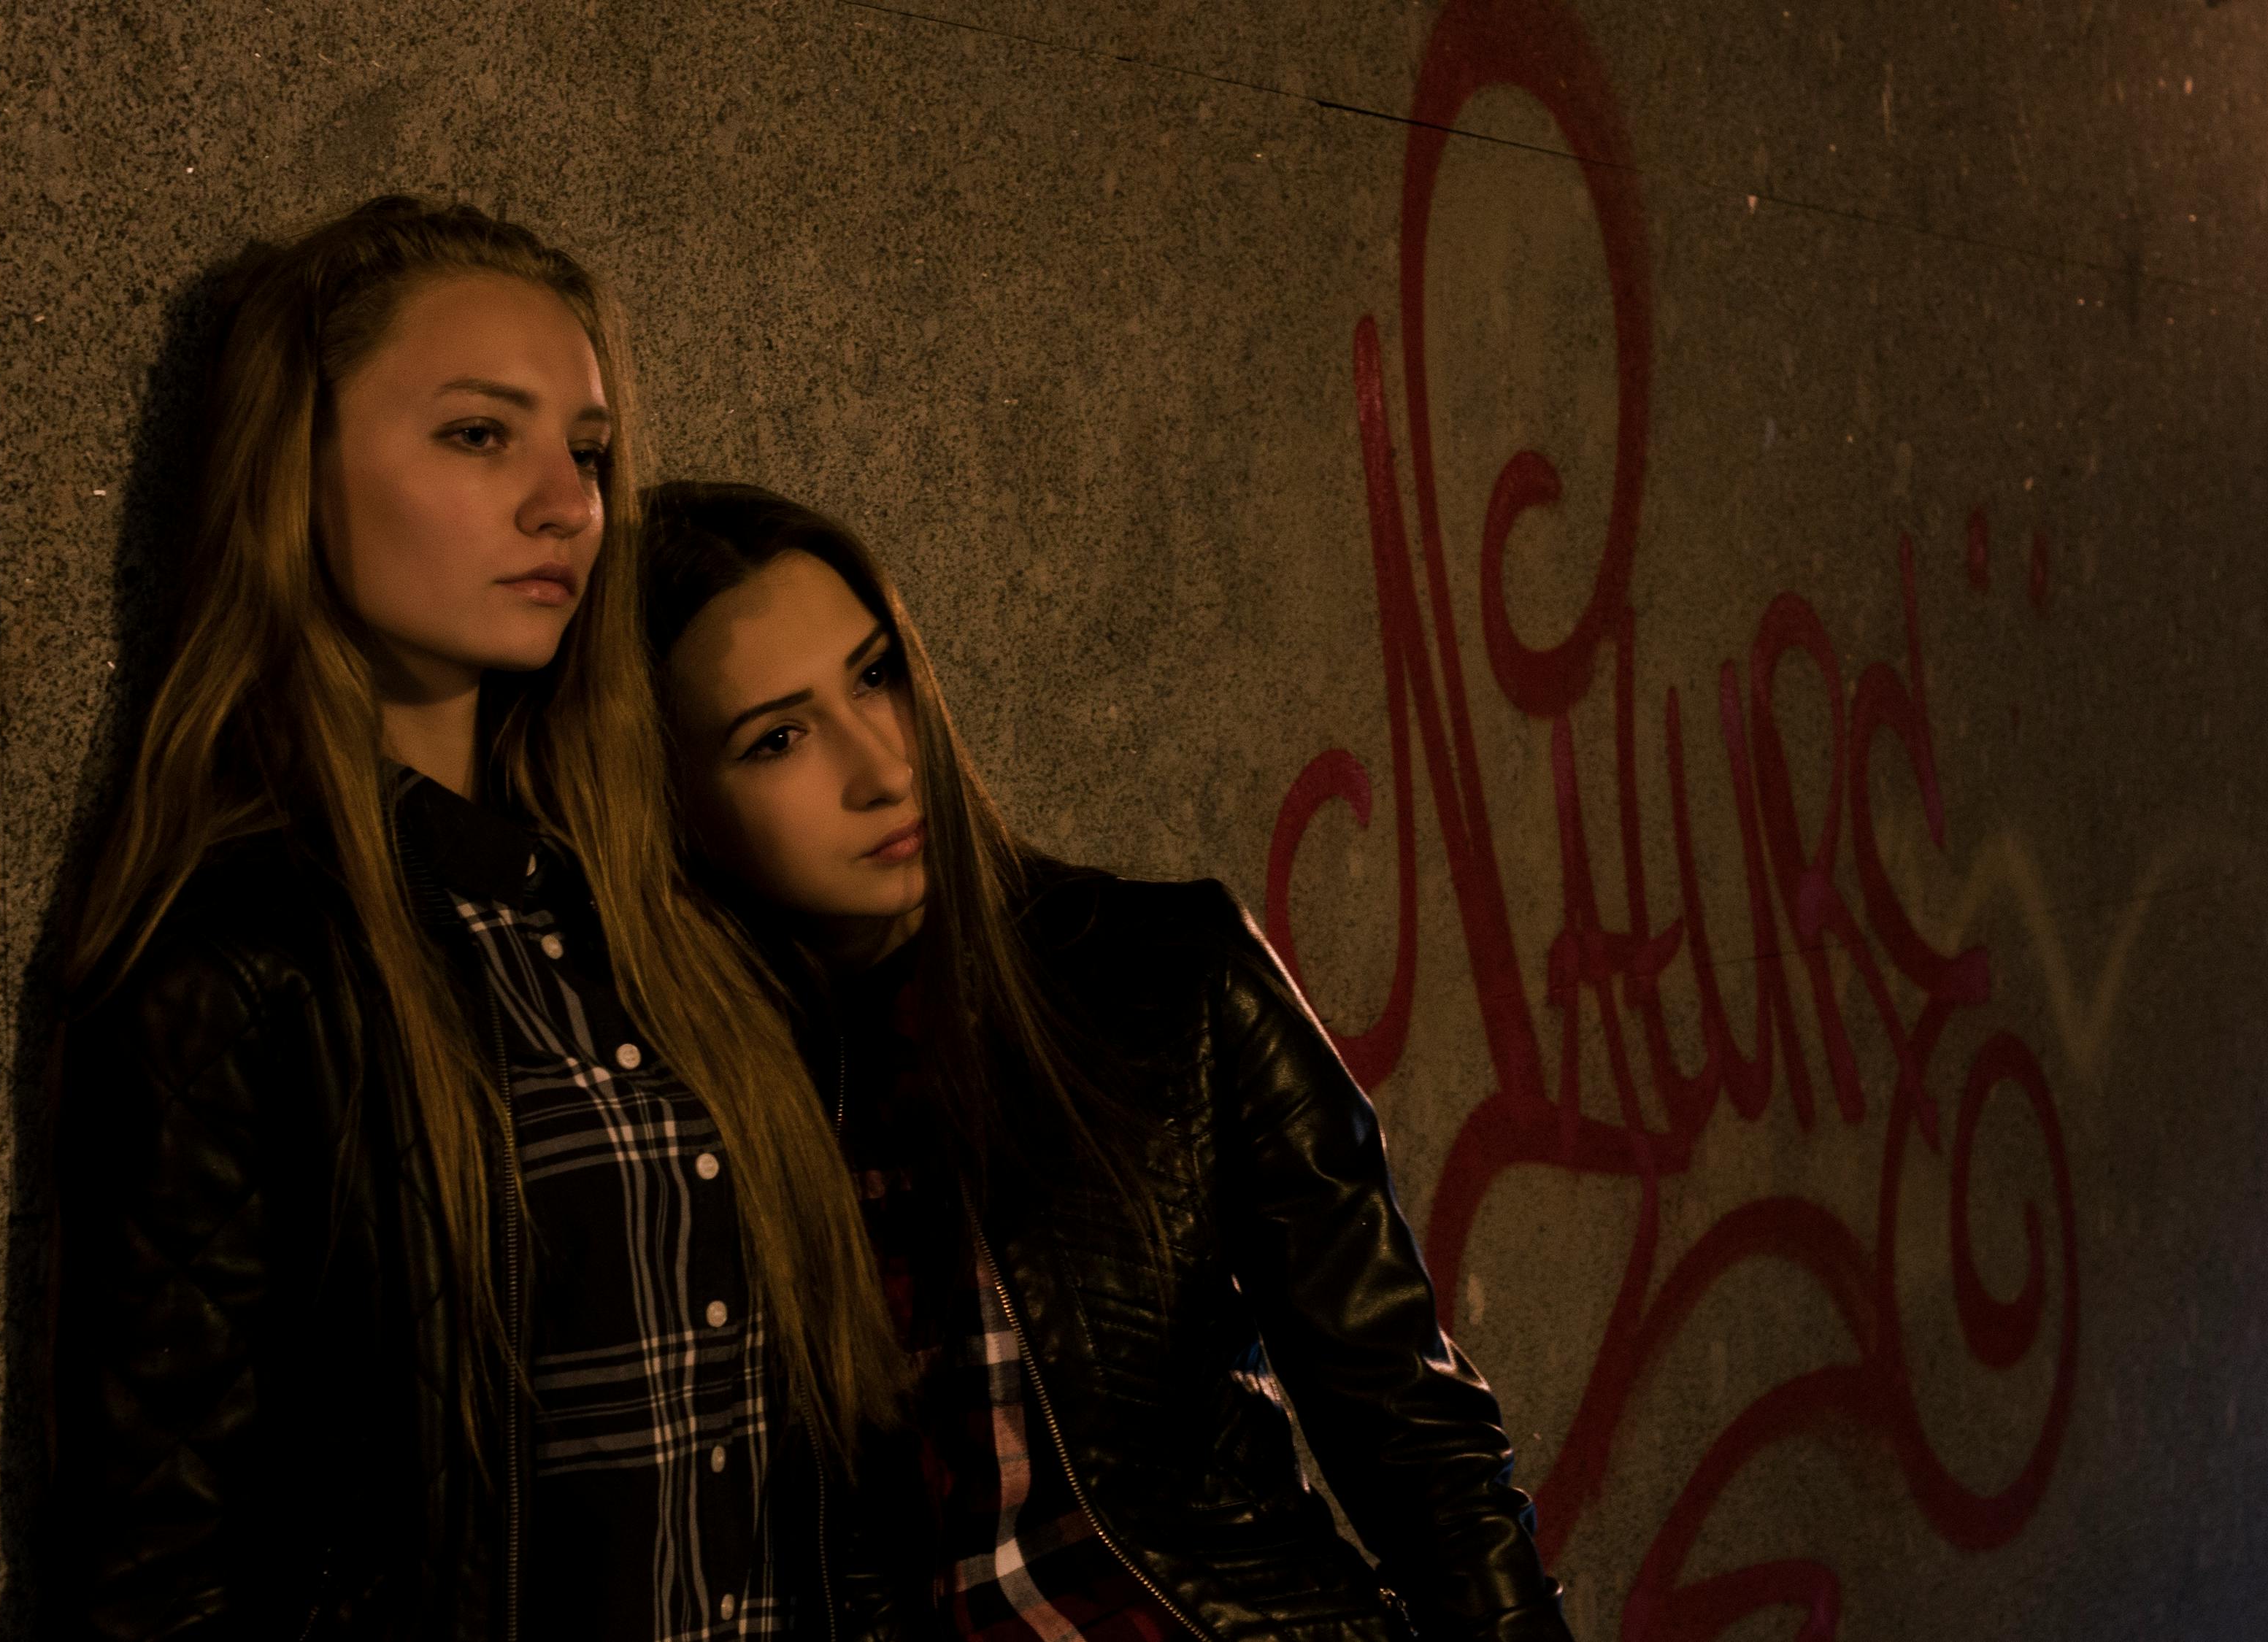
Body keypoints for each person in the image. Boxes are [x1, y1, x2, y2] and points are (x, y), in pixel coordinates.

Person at [49, 201, 909, 1641]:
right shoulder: (241, 956)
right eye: (477, 435)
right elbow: (158, 1566)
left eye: (588, 452)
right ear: (295, 467)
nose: (568, 506)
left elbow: (836, 1452)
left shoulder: (652, 915)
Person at [640, 480, 1573, 1642]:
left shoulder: (1165, 975)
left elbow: (1415, 1434)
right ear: (668, 802)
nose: (883, 766)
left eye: (877, 675)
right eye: (777, 738)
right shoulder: (671, 1119)